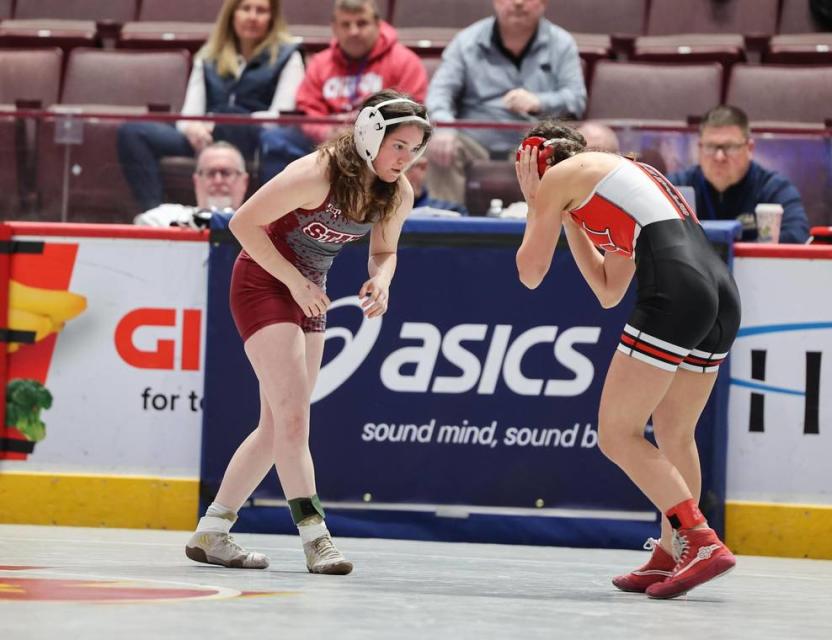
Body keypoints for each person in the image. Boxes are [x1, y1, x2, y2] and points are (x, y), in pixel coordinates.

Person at [184, 90, 431, 574]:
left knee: (278, 424)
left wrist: (381, 281)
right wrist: (294, 281)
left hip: (308, 290)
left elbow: (384, 252)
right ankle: (316, 538)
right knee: (294, 418)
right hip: (262, 281)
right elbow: (243, 223)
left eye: (415, 149)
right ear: (369, 134)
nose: (406, 158)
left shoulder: (397, 192)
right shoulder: (316, 173)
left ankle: (212, 531)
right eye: (398, 145)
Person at [514, 121, 739, 599]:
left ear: (534, 161)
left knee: (617, 434)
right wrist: (569, 219)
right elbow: (607, 289)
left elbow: (530, 274)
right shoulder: (619, 177)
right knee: (675, 433)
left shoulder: (559, 178)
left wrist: (538, 203)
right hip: (718, 290)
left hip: (676, 289)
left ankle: (698, 539)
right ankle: (669, 550)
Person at [118, 0, 304, 211]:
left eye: (261, 10)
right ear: (232, 14)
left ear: (272, 18)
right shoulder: (208, 55)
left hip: (253, 140)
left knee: (230, 116)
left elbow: (281, 117)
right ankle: (155, 213)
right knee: (133, 132)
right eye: (245, 9)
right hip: (206, 137)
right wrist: (193, 128)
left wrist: (230, 120)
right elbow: (190, 113)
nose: (252, 17)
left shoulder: (289, 56)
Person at [425, 0, 586, 206]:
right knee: (438, 144)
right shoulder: (466, 41)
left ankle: (540, 229)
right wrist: (444, 126)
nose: (518, 3)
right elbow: (440, 93)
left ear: (544, 3)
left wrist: (539, 101)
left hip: (535, 139)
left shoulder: (562, 43)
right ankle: (445, 226)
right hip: (474, 140)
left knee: (556, 149)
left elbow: (576, 98)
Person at [257, 0, 427, 183]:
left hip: (380, 144)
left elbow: (410, 116)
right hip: (325, 142)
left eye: (361, 23)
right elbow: (307, 110)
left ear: (378, 24)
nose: (353, 31)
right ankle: (282, 207)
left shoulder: (405, 62)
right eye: (345, 24)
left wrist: (362, 134)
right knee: (275, 139)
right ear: (334, 28)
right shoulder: (320, 63)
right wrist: (326, 131)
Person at [668, 105, 810, 243]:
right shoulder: (674, 188)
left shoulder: (773, 189)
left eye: (729, 147)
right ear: (699, 148)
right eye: (710, 147)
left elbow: (797, 236)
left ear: (749, 148)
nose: (719, 157)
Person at [133, 142, 249, 227]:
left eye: (226, 173)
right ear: (196, 181)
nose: (218, 181)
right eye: (210, 173)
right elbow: (142, 226)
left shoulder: (257, 227)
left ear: (244, 181)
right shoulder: (170, 216)